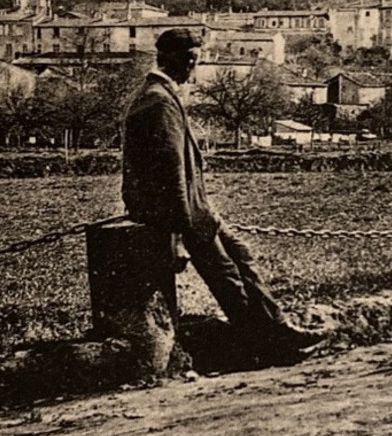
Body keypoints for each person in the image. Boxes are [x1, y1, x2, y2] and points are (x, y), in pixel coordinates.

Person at [121, 27, 325, 362]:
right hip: (180, 214)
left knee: (243, 259)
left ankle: (280, 329)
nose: (194, 69)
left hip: (197, 208)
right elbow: (170, 173)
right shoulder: (158, 101)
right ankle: (266, 348)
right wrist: (177, 236)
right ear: (176, 60)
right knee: (228, 279)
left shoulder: (160, 94)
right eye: (192, 61)